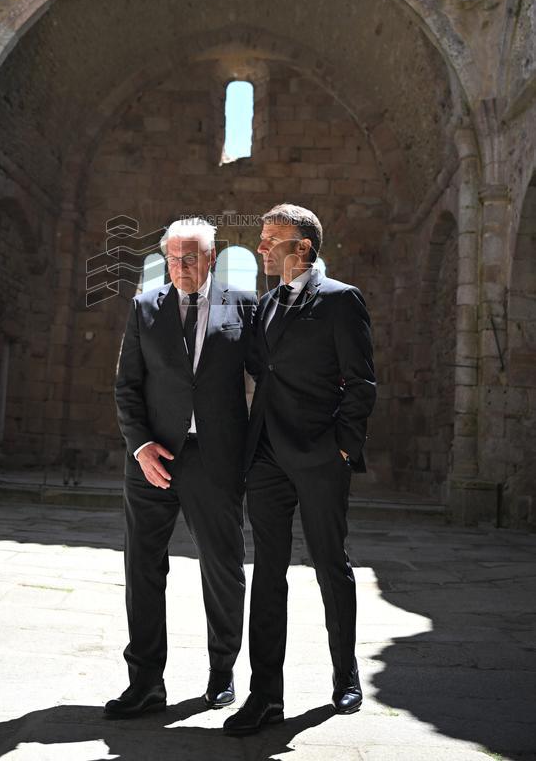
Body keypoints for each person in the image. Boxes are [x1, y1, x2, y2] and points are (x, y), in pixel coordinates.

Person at [224, 203, 376, 737]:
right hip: (265, 457)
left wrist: (342, 449)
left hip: (319, 456)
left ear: (302, 247)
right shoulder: (264, 307)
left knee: (331, 565)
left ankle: (346, 673)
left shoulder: (340, 301)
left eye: (271, 239)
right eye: (262, 239)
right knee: (267, 571)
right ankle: (266, 696)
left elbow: (361, 384)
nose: (261, 247)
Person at [105, 218, 257, 719]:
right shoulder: (145, 307)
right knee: (142, 569)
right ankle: (145, 682)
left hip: (216, 461)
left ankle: (221, 674)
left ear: (212, 257)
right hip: (152, 459)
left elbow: (266, 385)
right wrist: (140, 445)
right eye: (171, 259)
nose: (180, 267)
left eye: (190, 258)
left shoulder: (245, 307)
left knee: (223, 569)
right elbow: (127, 386)